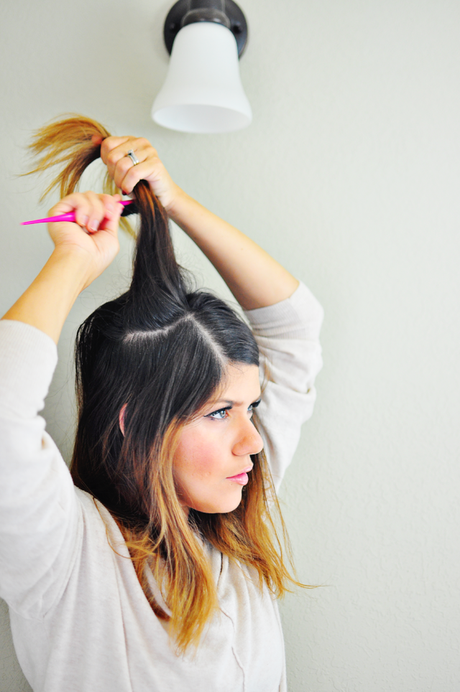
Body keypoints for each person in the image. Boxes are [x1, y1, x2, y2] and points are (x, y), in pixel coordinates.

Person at [0, 117, 323, 692]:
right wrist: (72, 260)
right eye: (220, 412)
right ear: (133, 423)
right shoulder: (62, 554)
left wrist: (174, 203)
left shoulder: (234, 517)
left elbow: (297, 329)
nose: (253, 442)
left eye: (250, 408)